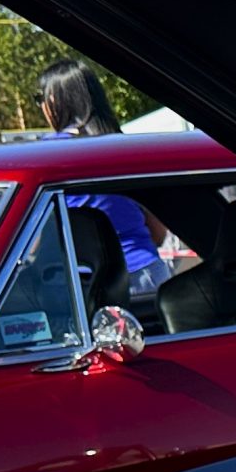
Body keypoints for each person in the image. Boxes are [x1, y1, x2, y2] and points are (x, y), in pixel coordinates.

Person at [41, 57, 173, 296]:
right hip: (150, 274)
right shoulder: (126, 150)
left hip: (92, 285)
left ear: (53, 100)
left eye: (39, 99)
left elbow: (38, 242)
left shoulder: (50, 152)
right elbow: (158, 233)